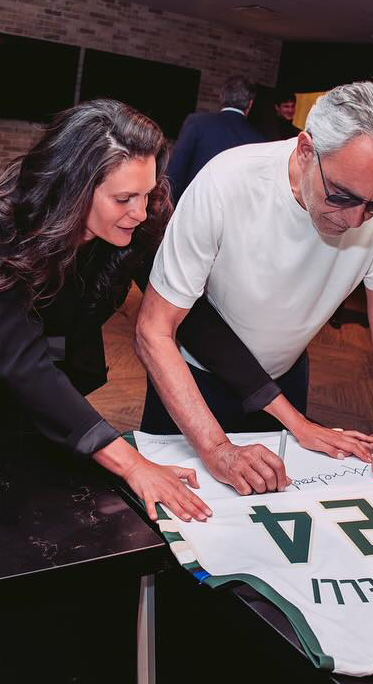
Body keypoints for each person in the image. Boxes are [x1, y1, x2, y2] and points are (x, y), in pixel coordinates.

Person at [136, 81, 373, 490]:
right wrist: (216, 448)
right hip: (194, 380)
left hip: (285, 379)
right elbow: (154, 329)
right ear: (306, 150)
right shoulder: (226, 181)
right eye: (341, 196)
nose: (355, 220)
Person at [0, 98, 252, 523]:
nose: (140, 211)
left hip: (54, 393)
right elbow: (24, 363)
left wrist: (279, 405)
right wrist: (132, 464)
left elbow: (188, 315)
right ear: (73, 188)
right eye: (123, 199)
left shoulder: (139, 220)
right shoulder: (8, 228)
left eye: (147, 193)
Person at [166, 76, 264, 205]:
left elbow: (176, 170)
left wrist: (170, 206)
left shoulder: (197, 122)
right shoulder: (258, 141)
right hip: (230, 212)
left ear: (221, 97)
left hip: (192, 205)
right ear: (250, 104)